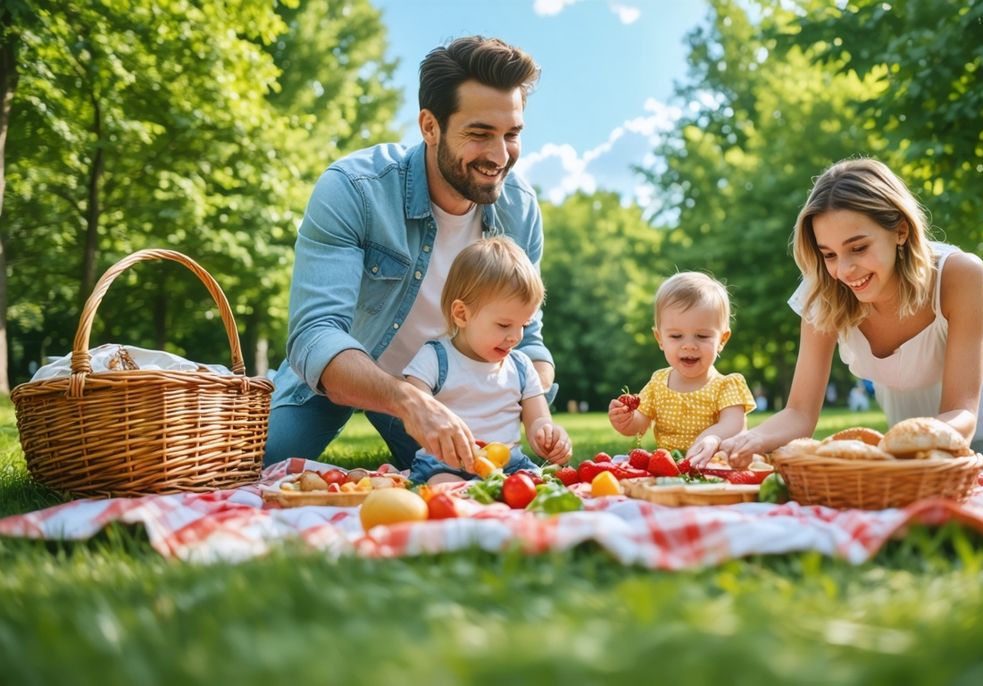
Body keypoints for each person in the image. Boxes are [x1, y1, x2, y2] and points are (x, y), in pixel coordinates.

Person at [263, 36, 555, 474]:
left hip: (447, 388)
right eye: (479, 134)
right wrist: (407, 400)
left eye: (511, 134)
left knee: (467, 476)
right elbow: (315, 334)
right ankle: (240, 388)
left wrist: (530, 402)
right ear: (429, 126)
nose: (499, 156)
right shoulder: (353, 189)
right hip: (345, 372)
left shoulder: (520, 207)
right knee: (263, 456)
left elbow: (528, 338)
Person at [701, 158, 983, 467]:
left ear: (900, 231)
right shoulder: (824, 292)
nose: (844, 270)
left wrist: (884, 448)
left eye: (858, 247)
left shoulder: (958, 273)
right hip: (908, 439)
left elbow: (961, 413)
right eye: (829, 254)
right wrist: (749, 439)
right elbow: (800, 412)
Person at [402, 236, 571, 484]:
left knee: (540, 486)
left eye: (524, 325)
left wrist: (547, 435)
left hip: (508, 465)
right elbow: (416, 408)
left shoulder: (521, 366)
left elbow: (538, 420)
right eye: (504, 325)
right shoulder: (434, 358)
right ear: (462, 314)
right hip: (446, 464)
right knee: (445, 488)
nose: (516, 337)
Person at [608, 272, 756, 462]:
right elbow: (640, 425)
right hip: (669, 467)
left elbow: (734, 424)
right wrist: (626, 420)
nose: (689, 345)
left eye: (702, 336)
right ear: (660, 339)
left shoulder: (726, 385)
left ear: (722, 339)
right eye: (676, 336)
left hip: (711, 465)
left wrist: (711, 438)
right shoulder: (658, 383)